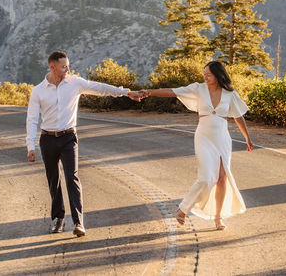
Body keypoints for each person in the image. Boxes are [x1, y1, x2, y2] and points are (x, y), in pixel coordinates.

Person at [26, 50, 144, 237]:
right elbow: (32, 119)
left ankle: (78, 222)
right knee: (53, 180)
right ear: (52, 67)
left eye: (68, 65)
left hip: (68, 137)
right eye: (64, 66)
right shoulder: (38, 90)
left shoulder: (75, 83)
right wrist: (30, 146)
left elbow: (100, 88)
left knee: (72, 177)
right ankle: (58, 219)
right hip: (47, 139)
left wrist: (126, 93)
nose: (67, 69)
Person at [141, 60, 254, 230]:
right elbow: (173, 92)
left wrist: (247, 138)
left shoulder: (230, 94)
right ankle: (183, 209)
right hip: (203, 137)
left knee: (222, 178)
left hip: (222, 138)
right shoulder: (198, 88)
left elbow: (238, 117)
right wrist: (150, 92)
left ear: (217, 75)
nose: (205, 77)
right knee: (206, 178)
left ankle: (218, 217)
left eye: (208, 74)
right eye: (204, 74)